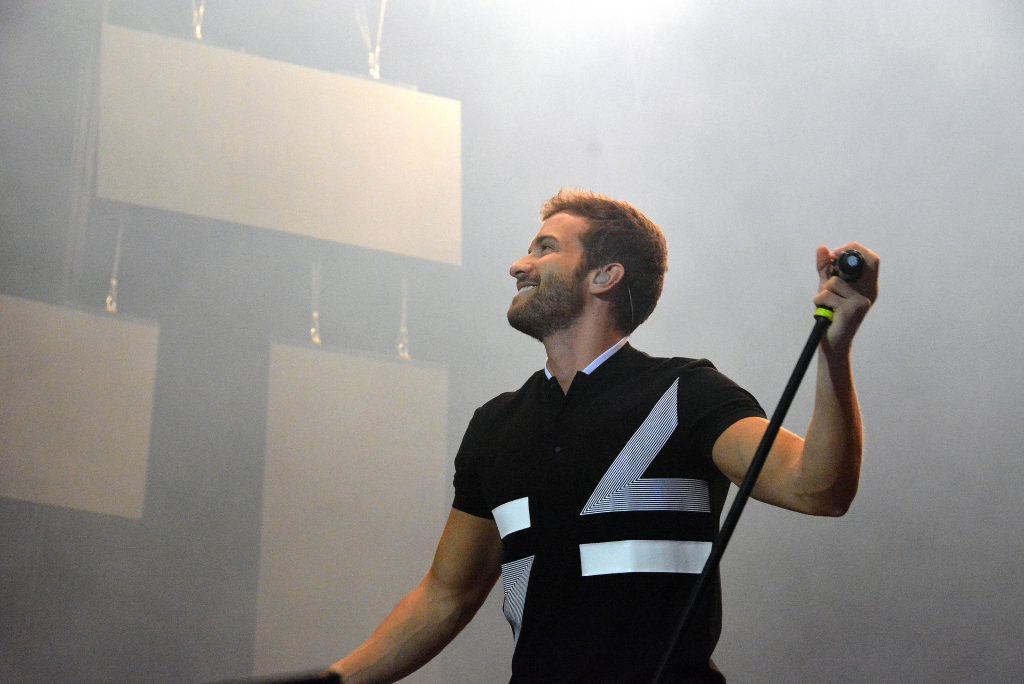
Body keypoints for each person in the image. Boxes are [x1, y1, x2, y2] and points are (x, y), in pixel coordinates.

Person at [328, 190, 879, 683]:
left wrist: (834, 351)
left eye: (546, 249)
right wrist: (333, 681)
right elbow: (446, 595)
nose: (519, 265)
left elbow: (816, 489)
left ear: (604, 276)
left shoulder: (687, 394)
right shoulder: (495, 426)